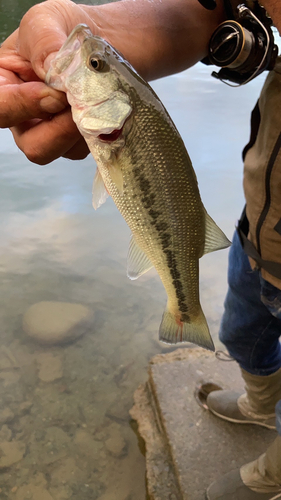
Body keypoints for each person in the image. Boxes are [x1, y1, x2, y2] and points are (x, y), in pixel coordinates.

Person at [0, 0, 280, 498]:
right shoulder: (117, 120)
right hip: (258, 230)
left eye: (95, 65)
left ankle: (272, 474)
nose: (85, 50)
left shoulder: (122, 121)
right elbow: (215, 13)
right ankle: (258, 405)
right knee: (241, 334)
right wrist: (99, 27)